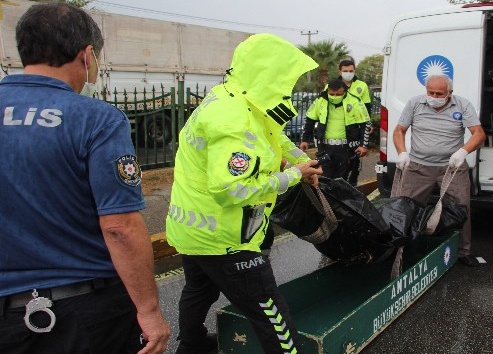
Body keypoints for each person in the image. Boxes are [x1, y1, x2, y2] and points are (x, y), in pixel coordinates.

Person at [0, 3, 170, 354]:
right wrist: (149, 311)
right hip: (83, 313)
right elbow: (120, 226)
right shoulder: (96, 120)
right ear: (87, 55)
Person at [166, 33, 322, 354]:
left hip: (193, 229)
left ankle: (191, 346)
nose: (288, 88)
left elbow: (273, 132)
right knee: (270, 312)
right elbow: (231, 189)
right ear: (267, 74)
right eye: (285, 78)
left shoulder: (233, 95)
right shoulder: (234, 118)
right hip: (225, 239)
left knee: (198, 290)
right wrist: (294, 175)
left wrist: (302, 160)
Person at [391, 75, 486, 267]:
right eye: (430, 92)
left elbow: (479, 133)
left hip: (452, 168)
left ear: (450, 93)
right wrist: (402, 152)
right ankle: (403, 249)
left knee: (461, 208)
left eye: (439, 94)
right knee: (405, 207)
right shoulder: (415, 103)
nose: (434, 96)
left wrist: (463, 151)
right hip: (418, 167)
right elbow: (399, 130)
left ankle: (462, 252)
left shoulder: (462, 105)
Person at [299, 78, 371, 181]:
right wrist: (305, 140)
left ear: (345, 92)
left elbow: (365, 124)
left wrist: (363, 145)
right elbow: (310, 120)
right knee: (325, 178)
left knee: (342, 180)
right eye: (332, 94)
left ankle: (343, 197)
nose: (334, 97)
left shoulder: (355, 101)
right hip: (325, 148)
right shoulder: (321, 100)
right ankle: (327, 197)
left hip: (346, 149)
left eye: (338, 95)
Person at [337, 59, 373, 186]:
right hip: (338, 128)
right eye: (345, 71)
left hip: (356, 128)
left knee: (355, 162)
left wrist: (369, 123)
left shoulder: (361, 86)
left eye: (350, 71)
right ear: (340, 71)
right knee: (340, 164)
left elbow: (367, 106)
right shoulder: (332, 85)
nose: (348, 73)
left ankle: (352, 187)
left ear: (354, 71)